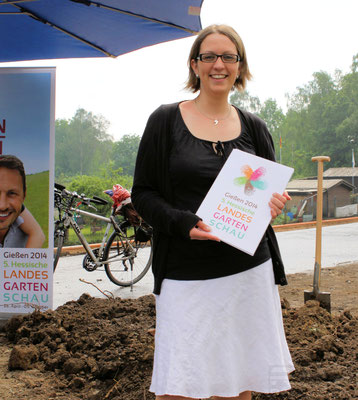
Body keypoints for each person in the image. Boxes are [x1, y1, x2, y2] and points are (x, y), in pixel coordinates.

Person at [132, 24, 294, 400]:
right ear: (195, 65)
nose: (218, 64)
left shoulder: (255, 126)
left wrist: (272, 206)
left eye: (228, 57)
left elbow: (268, 192)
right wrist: (183, 223)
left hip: (248, 273)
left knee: (240, 381)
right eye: (209, 56)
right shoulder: (165, 120)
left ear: (239, 67)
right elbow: (143, 193)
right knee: (179, 385)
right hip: (185, 273)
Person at [0, 154, 45, 248]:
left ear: (24, 195)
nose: (2, 205)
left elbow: (38, 234)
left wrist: (23, 261)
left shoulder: (18, 209)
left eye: (11, 193)